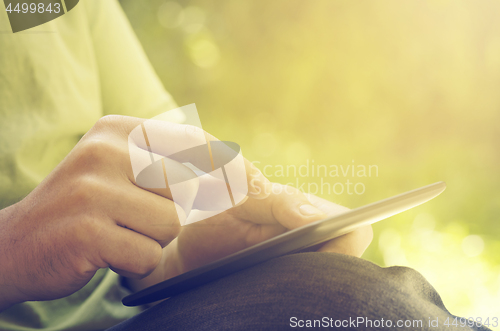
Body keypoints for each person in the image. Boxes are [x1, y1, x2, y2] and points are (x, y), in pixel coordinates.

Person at [0, 1, 491, 330]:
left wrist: (184, 250)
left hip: (127, 309)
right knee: (361, 308)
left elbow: (167, 152)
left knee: (345, 298)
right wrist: (13, 250)